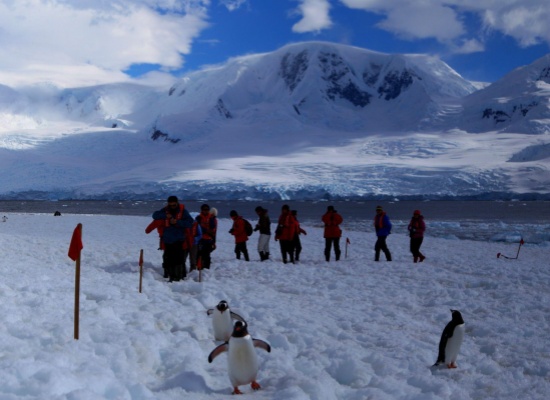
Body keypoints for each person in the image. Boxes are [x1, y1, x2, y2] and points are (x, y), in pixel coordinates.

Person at [152, 196, 194, 281]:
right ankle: (170, 276)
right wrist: (165, 215)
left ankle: (178, 277)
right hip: (167, 240)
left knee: (178, 260)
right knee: (168, 259)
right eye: (170, 205)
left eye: (174, 205)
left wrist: (178, 222)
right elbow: (155, 215)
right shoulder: (165, 210)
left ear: (177, 203)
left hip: (179, 240)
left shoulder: (183, 212)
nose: (172, 207)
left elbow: (190, 222)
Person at [195, 203, 217, 269]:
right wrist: (205, 230)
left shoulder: (211, 218)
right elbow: (196, 227)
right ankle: (199, 267)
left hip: (208, 239)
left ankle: (207, 268)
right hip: (200, 239)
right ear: (202, 210)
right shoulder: (198, 218)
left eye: (207, 209)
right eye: (204, 209)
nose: (206, 211)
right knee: (199, 254)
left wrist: (213, 241)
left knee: (207, 255)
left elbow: (213, 228)